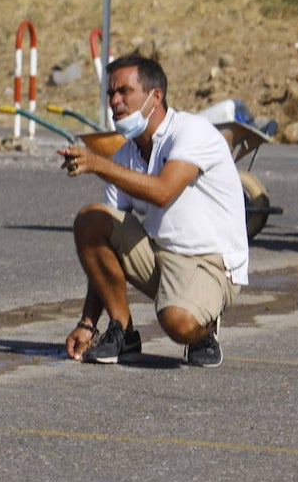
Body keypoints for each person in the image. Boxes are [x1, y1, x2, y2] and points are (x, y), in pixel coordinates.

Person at [58, 54, 248, 367]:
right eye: (110, 93)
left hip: (210, 264)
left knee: (176, 322)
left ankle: (203, 328)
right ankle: (122, 331)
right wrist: (87, 322)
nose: (114, 101)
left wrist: (97, 164)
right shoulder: (125, 156)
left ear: (155, 96)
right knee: (91, 220)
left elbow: (162, 192)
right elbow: (102, 251)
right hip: (160, 254)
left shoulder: (191, 132)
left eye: (124, 92)